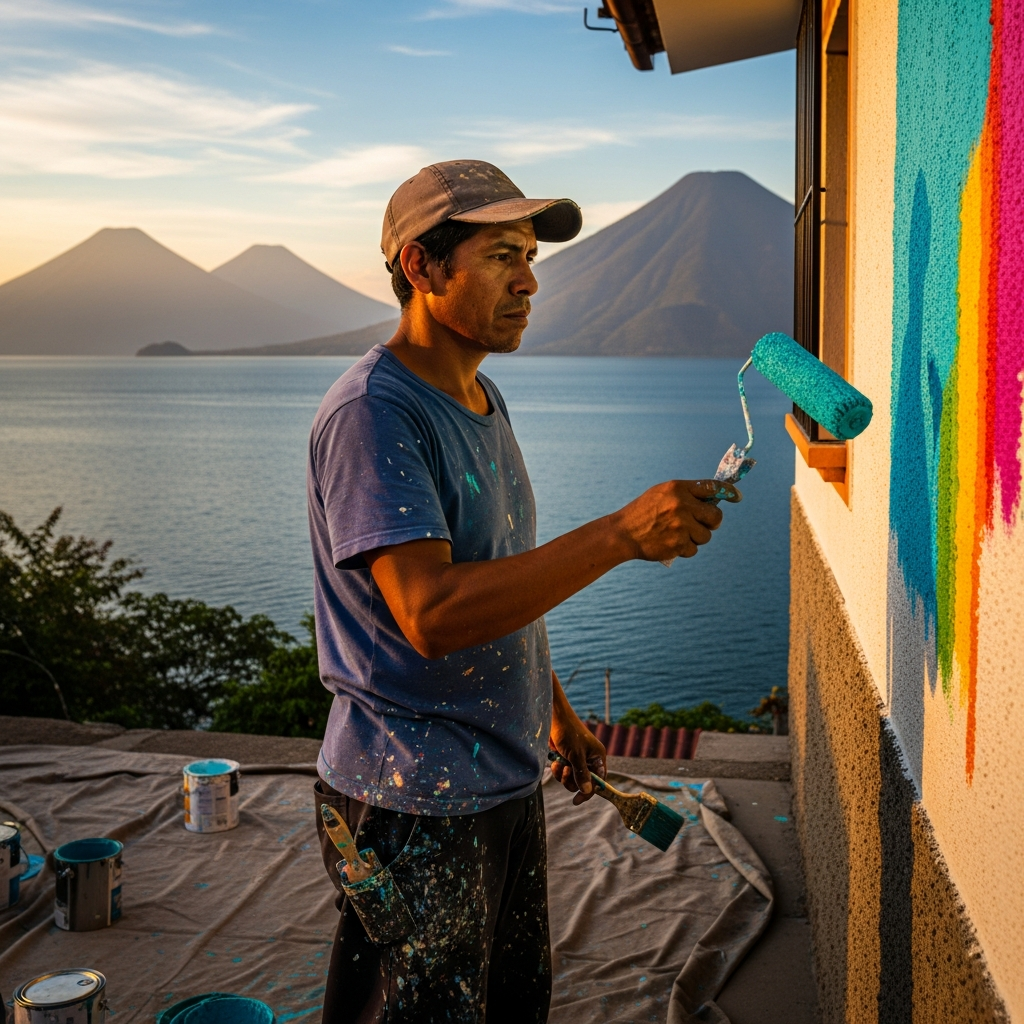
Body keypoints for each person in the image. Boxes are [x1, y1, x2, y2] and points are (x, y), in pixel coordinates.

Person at [307, 159, 740, 1023]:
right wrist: (618, 535)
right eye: (503, 255)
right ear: (422, 269)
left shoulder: (478, 395)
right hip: (409, 802)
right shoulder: (374, 414)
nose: (529, 280)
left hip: (500, 780)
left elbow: (499, 568)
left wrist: (554, 710)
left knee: (510, 1003)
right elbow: (432, 614)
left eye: (530, 255)